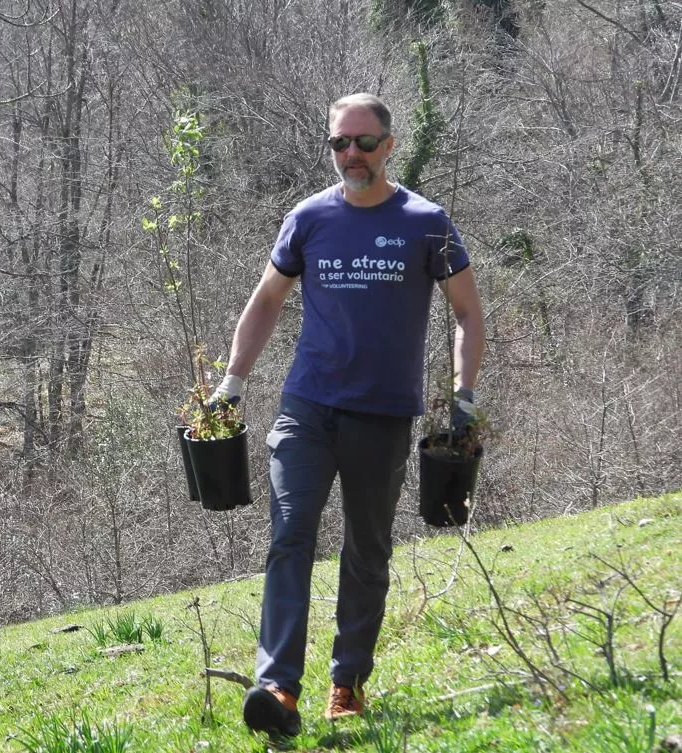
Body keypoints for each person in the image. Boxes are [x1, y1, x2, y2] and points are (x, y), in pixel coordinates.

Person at [211, 93, 485, 737]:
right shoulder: (307, 219)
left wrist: (462, 397)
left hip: (383, 414)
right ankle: (277, 689)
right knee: (289, 537)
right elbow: (266, 301)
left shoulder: (426, 221)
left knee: (367, 550)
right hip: (306, 407)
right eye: (340, 143)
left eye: (363, 142)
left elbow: (468, 313)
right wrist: (230, 386)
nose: (351, 155)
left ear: (389, 145)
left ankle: (348, 682)